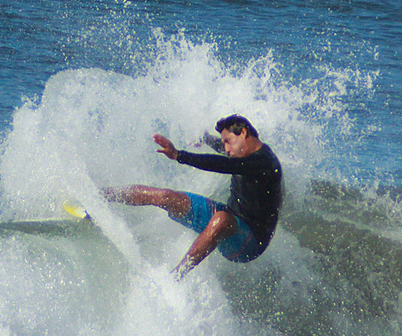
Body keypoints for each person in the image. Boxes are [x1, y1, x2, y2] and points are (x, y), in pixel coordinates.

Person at [103, 114, 283, 279]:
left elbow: (222, 165)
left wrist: (179, 155)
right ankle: (100, 196)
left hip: (248, 242)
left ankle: (174, 278)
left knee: (221, 220)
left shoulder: (264, 162)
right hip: (229, 218)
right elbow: (222, 149)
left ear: (243, 132)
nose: (226, 148)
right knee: (166, 196)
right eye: (224, 143)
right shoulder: (241, 151)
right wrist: (204, 137)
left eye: (228, 141)